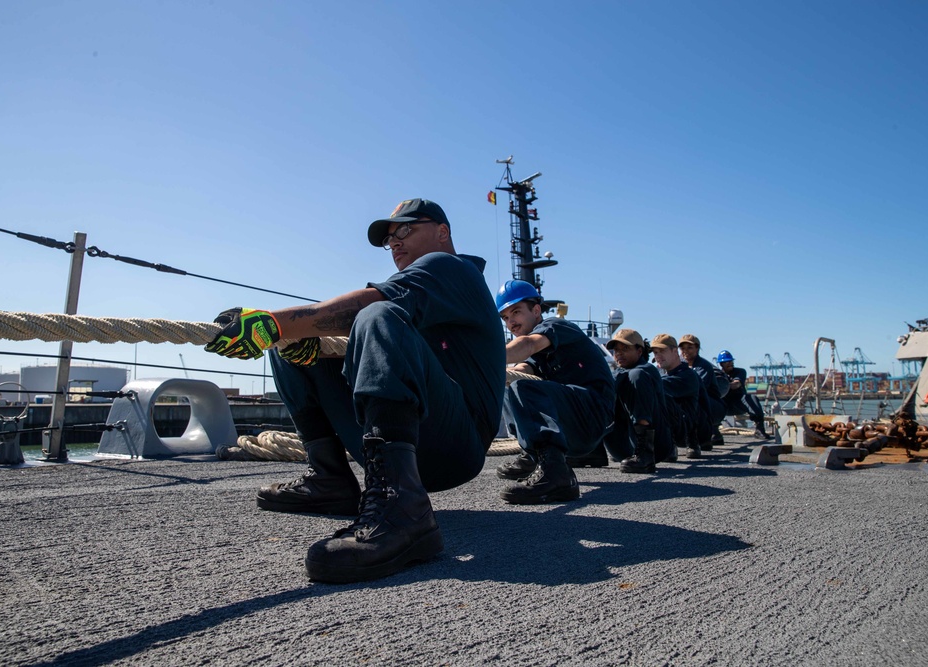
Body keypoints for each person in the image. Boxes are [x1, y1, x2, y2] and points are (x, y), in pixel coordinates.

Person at [204, 198, 506, 583]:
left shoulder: (453, 268)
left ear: (443, 232)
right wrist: (286, 333)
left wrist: (274, 322)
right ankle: (329, 479)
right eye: (389, 238)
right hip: (417, 443)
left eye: (406, 230)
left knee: (372, 315)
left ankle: (404, 510)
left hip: (457, 447)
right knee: (295, 347)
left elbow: (374, 304)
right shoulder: (425, 287)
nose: (394, 242)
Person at [495, 280, 615, 503]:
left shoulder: (557, 327)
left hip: (594, 416)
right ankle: (536, 456)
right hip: (574, 426)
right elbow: (522, 368)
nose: (511, 322)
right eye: (505, 317)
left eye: (516, 312)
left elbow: (528, 345)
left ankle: (558, 476)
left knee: (522, 386)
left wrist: (484, 354)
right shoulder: (535, 352)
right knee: (508, 383)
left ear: (537, 310)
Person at [603, 328, 675, 474]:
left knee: (636, 376)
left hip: (655, 446)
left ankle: (645, 456)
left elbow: (633, 377)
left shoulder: (647, 371)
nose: (619, 353)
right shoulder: (618, 373)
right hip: (623, 448)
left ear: (639, 351)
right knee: (601, 387)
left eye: (625, 348)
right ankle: (593, 454)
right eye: (616, 350)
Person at [650, 334, 711, 458]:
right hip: (681, 424)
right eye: (655, 352)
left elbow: (657, 386)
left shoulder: (688, 375)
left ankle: (672, 445)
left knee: (661, 397)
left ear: (675, 351)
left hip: (696, 431)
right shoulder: (662, 373)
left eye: (662, 351)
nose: (657, 356)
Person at [678, 334, 726, 450]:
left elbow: (695, 389)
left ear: (697, 348)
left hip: (713, 407)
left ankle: (704, 437)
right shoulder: (678, 364)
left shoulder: (703, 366)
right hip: (697, 405)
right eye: (683, 348)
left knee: (694, 401)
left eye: (689, 348)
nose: (685, 351)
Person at [717, 349, 770, 439]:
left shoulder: (740, 372)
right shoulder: (717, 374)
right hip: (723, 404)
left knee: (751, 398)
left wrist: (722, 385)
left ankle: (759, 429)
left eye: (731, 361)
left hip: (738, 403)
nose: (730, 363)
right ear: (721, 364)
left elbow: (736, 384)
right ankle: (714, 433)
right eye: (727, 362)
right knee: (709, 401)